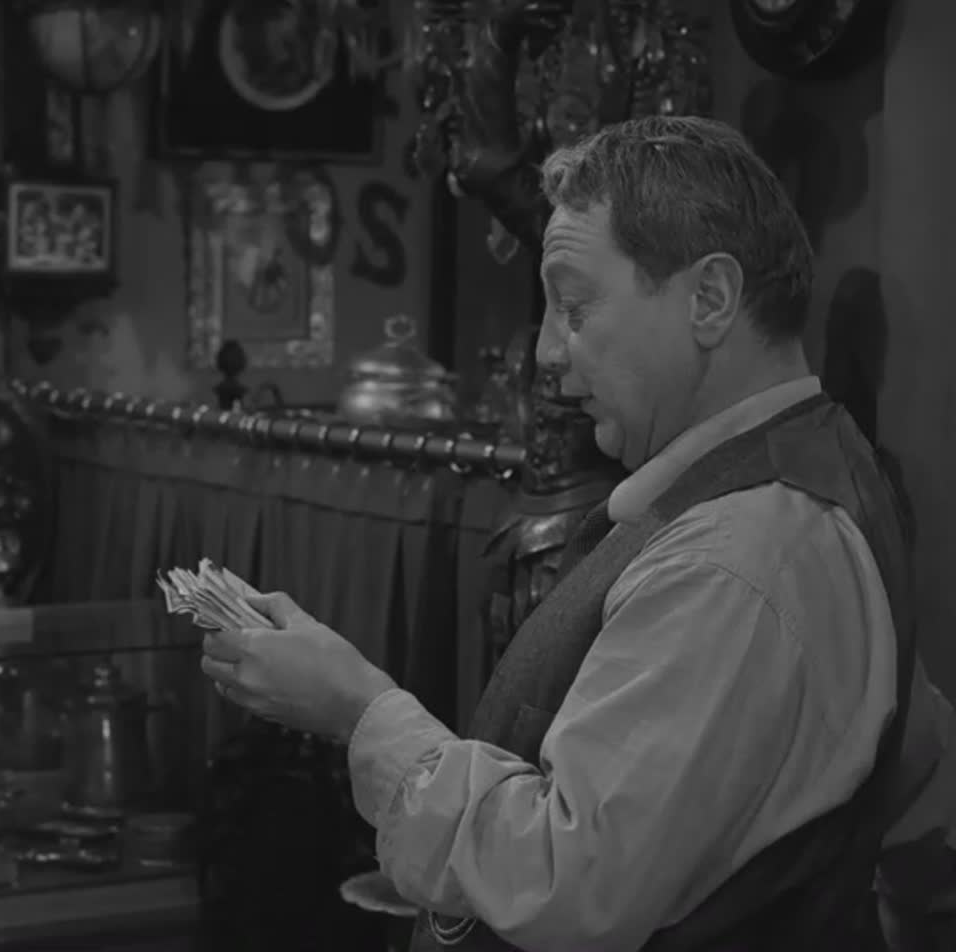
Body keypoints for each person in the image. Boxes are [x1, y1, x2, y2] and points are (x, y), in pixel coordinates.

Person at [200, 116, 956, 952]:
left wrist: (357, 709)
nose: (548, 353)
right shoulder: (813, 480)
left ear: (709, 298)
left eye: (573, 306)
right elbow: (921, 786)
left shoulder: (735, 561)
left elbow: (564, 879)